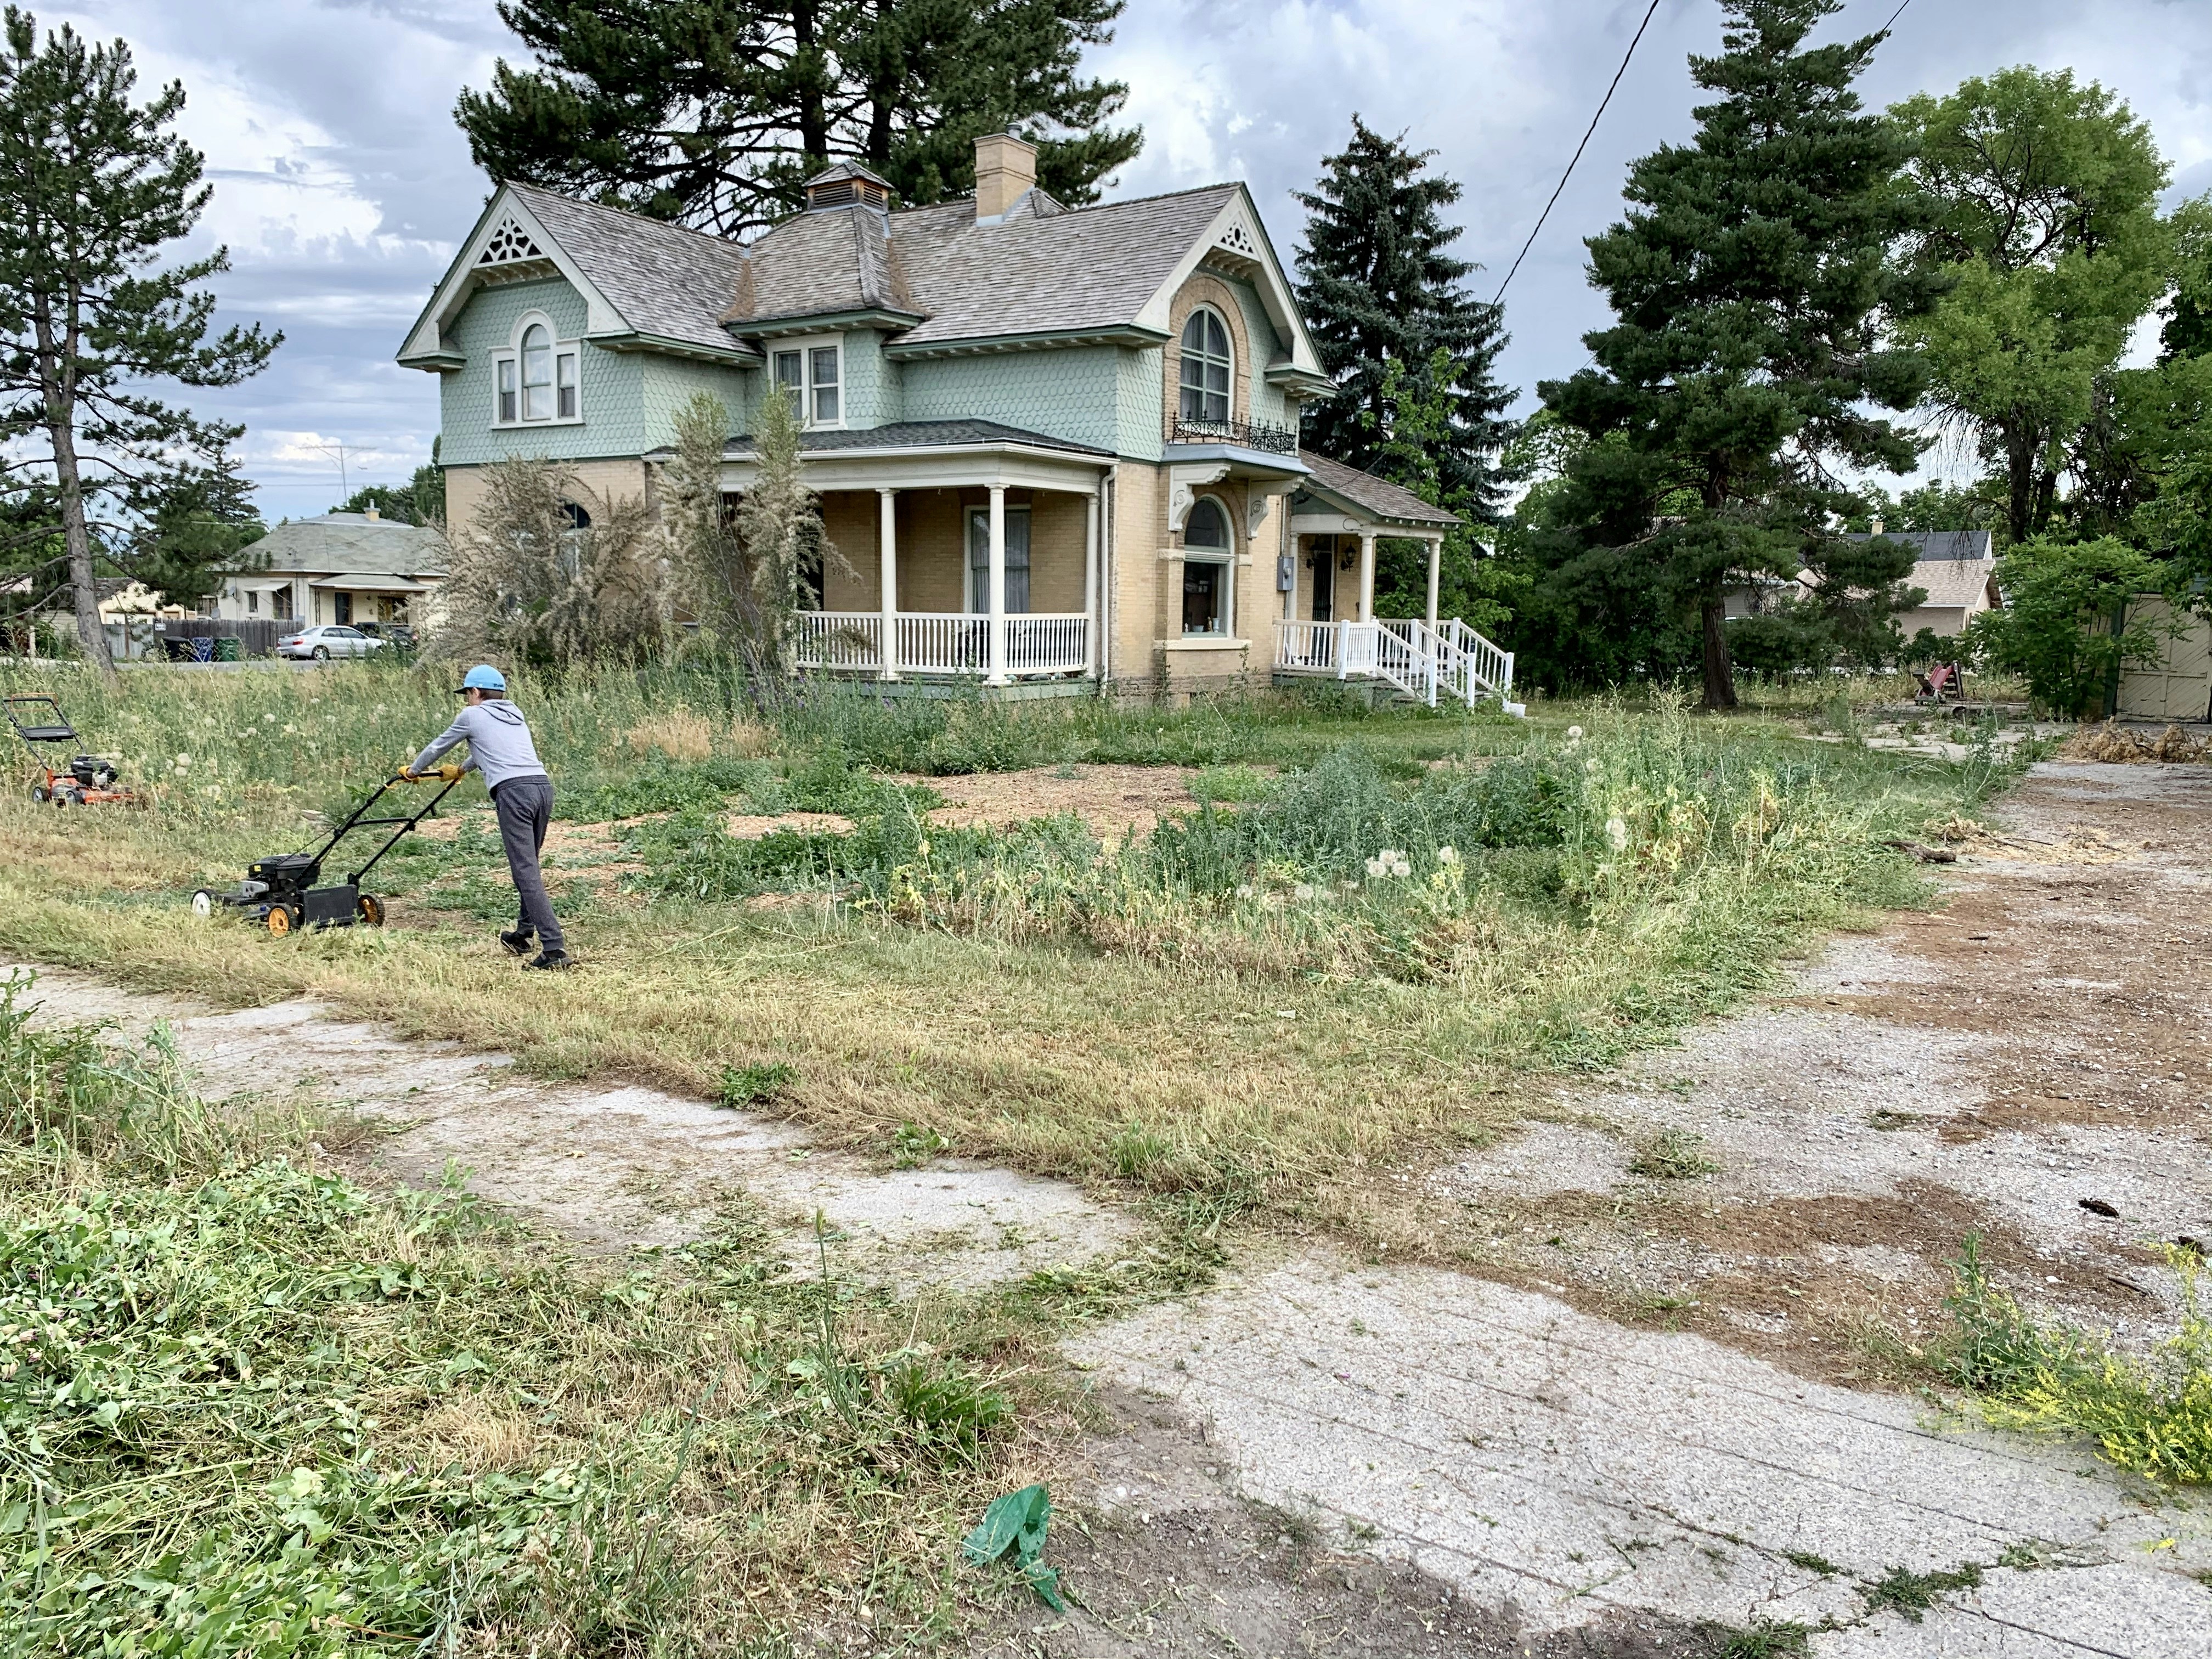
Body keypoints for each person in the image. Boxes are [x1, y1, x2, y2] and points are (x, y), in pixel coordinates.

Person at [405, 664, 568, 969]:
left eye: (468, 694)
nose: (467, 700)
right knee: (529, 864)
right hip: (542, 788)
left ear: (476, 692)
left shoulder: (472, 715)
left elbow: (438, 746)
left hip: (515, 793)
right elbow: (487, 748)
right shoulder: (514, 713)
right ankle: (522, 934)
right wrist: (462, 770)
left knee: (525, 872)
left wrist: (414, 770)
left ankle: (555, 950)